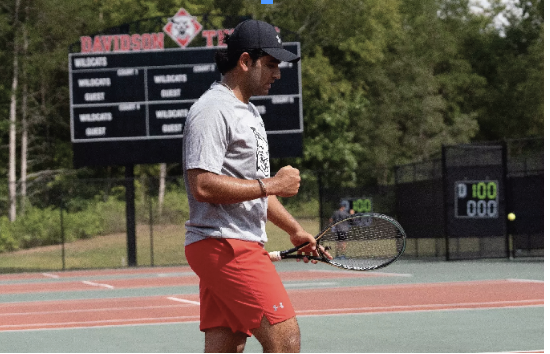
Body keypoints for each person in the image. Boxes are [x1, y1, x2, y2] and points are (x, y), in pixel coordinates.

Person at [182, 19, 329, 353]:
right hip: (225, 245)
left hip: (228, 243)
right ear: (245, 61)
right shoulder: (212, 110)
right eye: (271, 64)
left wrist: (294, 229)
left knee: (226, 345)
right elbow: (202, 185)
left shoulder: (247, 112)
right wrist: (273, 183)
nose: (278, 73)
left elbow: (253, 189)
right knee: (285, 340)